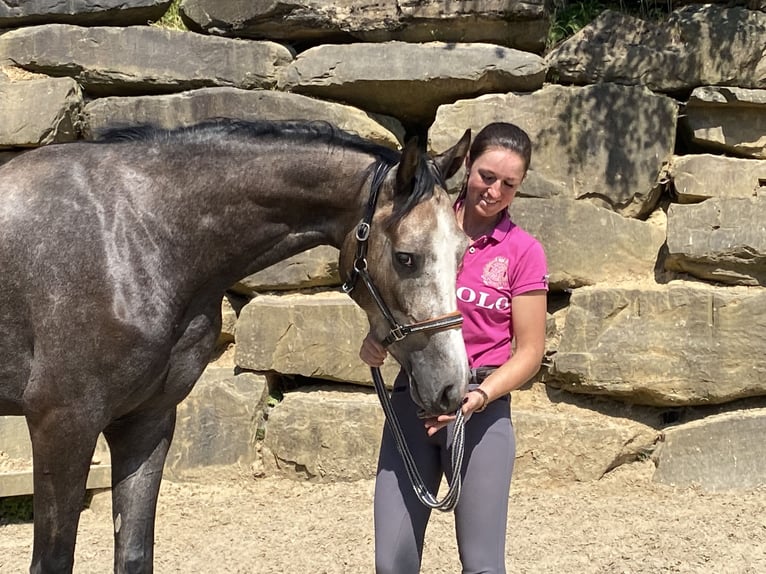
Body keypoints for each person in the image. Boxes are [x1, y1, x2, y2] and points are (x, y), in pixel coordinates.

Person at [359, 122, 549, 574]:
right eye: (487, 176)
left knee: (483, 565)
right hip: (414, 400)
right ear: (467, 166)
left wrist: (479, 395)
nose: (494, 191)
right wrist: (378, 336)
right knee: (392, 563)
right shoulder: (425, 231)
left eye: (509, 184)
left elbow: (530, 351)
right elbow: (397, 298)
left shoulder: (523, 252)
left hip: (482, 409)